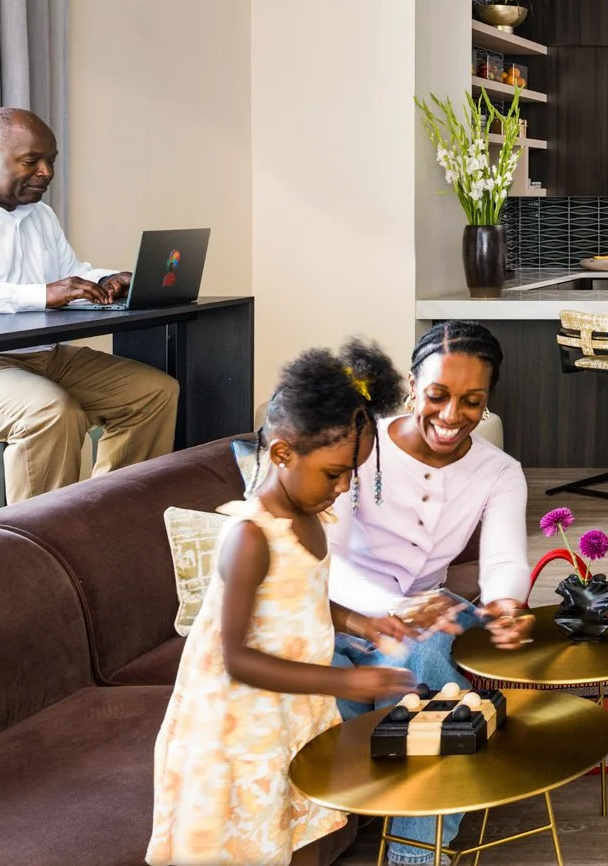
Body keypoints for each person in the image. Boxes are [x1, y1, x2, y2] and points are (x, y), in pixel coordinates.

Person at [148, 341, 416, 866]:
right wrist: (346, 682)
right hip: (238, 729)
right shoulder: (251, 537)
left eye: (352, 475)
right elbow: (237, 658)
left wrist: (360, 623)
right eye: (334, 473)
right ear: (281, 452)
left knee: (302, 833)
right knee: (254, 845)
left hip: (291, 714)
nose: (343, 488)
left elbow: (304, 598)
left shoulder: (310, 515)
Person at [326, 320, 532, 866]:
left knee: (428, 650)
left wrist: (506, 604)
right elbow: (328, 557)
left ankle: (416, 855)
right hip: (345, 612)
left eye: (473, 401)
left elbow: (505, 560)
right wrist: (394, 611)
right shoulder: (360, 444)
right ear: (413, 387)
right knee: (347, 686)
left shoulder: (500, 471)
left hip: (432, 613)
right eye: (437, 395)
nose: (451, 416)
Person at [0, 107, 176, 502]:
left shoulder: (39, 215)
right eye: (31, 161)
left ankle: (111, 520)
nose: (46, 172)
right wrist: (41, 293)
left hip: (39, 356)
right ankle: (41, 551)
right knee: (51, 412)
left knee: (153, 392)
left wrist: (104, 280)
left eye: (50, 161)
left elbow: (69, 273)